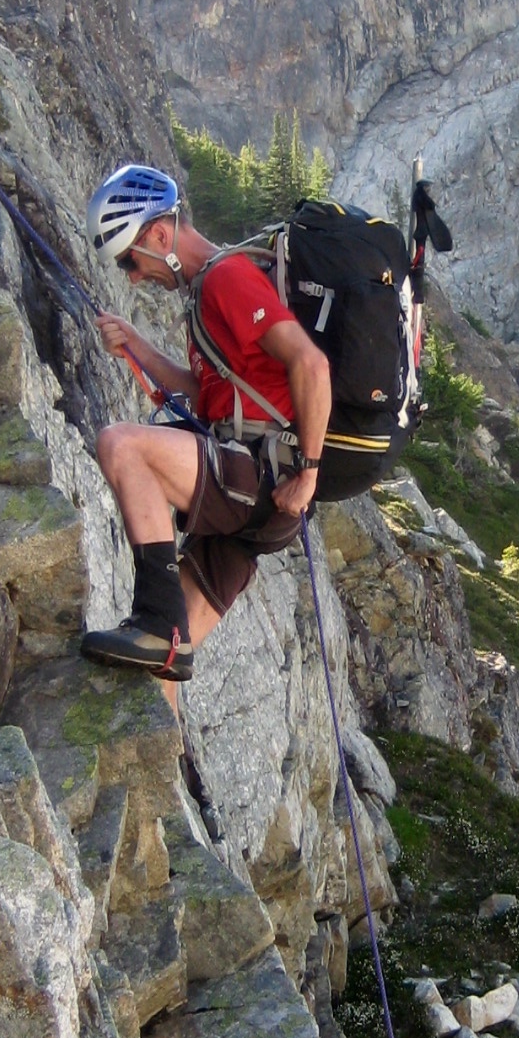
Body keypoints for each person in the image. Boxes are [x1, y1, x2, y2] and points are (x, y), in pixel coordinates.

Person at [80, 163, 330, 680]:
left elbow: (311, 364)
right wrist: (136, 346)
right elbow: (208, 397)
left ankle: (155, 621)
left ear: (158, 234)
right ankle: (164, 653)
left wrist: (309, 474)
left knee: (121, 446)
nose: (133, 276)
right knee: (165, 665)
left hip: (259, 475)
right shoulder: (205, 294)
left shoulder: (226, 278)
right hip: (256, 495)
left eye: (129, 259)